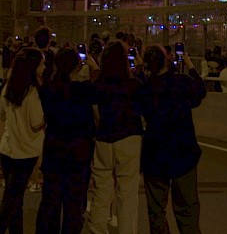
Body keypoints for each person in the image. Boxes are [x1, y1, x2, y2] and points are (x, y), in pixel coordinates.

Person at [135, 44, 206, 234]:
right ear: (168, 59)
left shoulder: (145, 88)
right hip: (183, 151)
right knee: (187, 206)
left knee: (156, 207)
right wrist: (190, 65)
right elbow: (200, 92)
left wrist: (140, 71)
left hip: (155, 153)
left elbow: (139, 104)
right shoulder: (181, 82)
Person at [83, 41, 143, 234]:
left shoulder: (98, 85)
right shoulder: (133, 85)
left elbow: (93, 111)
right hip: (129, 139)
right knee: (127, 194)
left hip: (104, 140)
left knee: (101, 191)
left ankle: (97, 229)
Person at [35, 48, 97, 234]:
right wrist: (92, 65)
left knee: (51, 202)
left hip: (54, 148)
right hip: (78, 151)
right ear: (77, 66)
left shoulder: (48, 89)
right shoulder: (84, 90)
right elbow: (98, 82)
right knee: (73, 205)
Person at [0, 48, 46, 233]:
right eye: (41, 64)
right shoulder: (33, 92)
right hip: (26, 151)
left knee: (14, 198)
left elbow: (2, 113)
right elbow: (36, 123)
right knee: (13, 198)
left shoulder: (8, 88)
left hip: (7, 147)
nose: (44, 67)